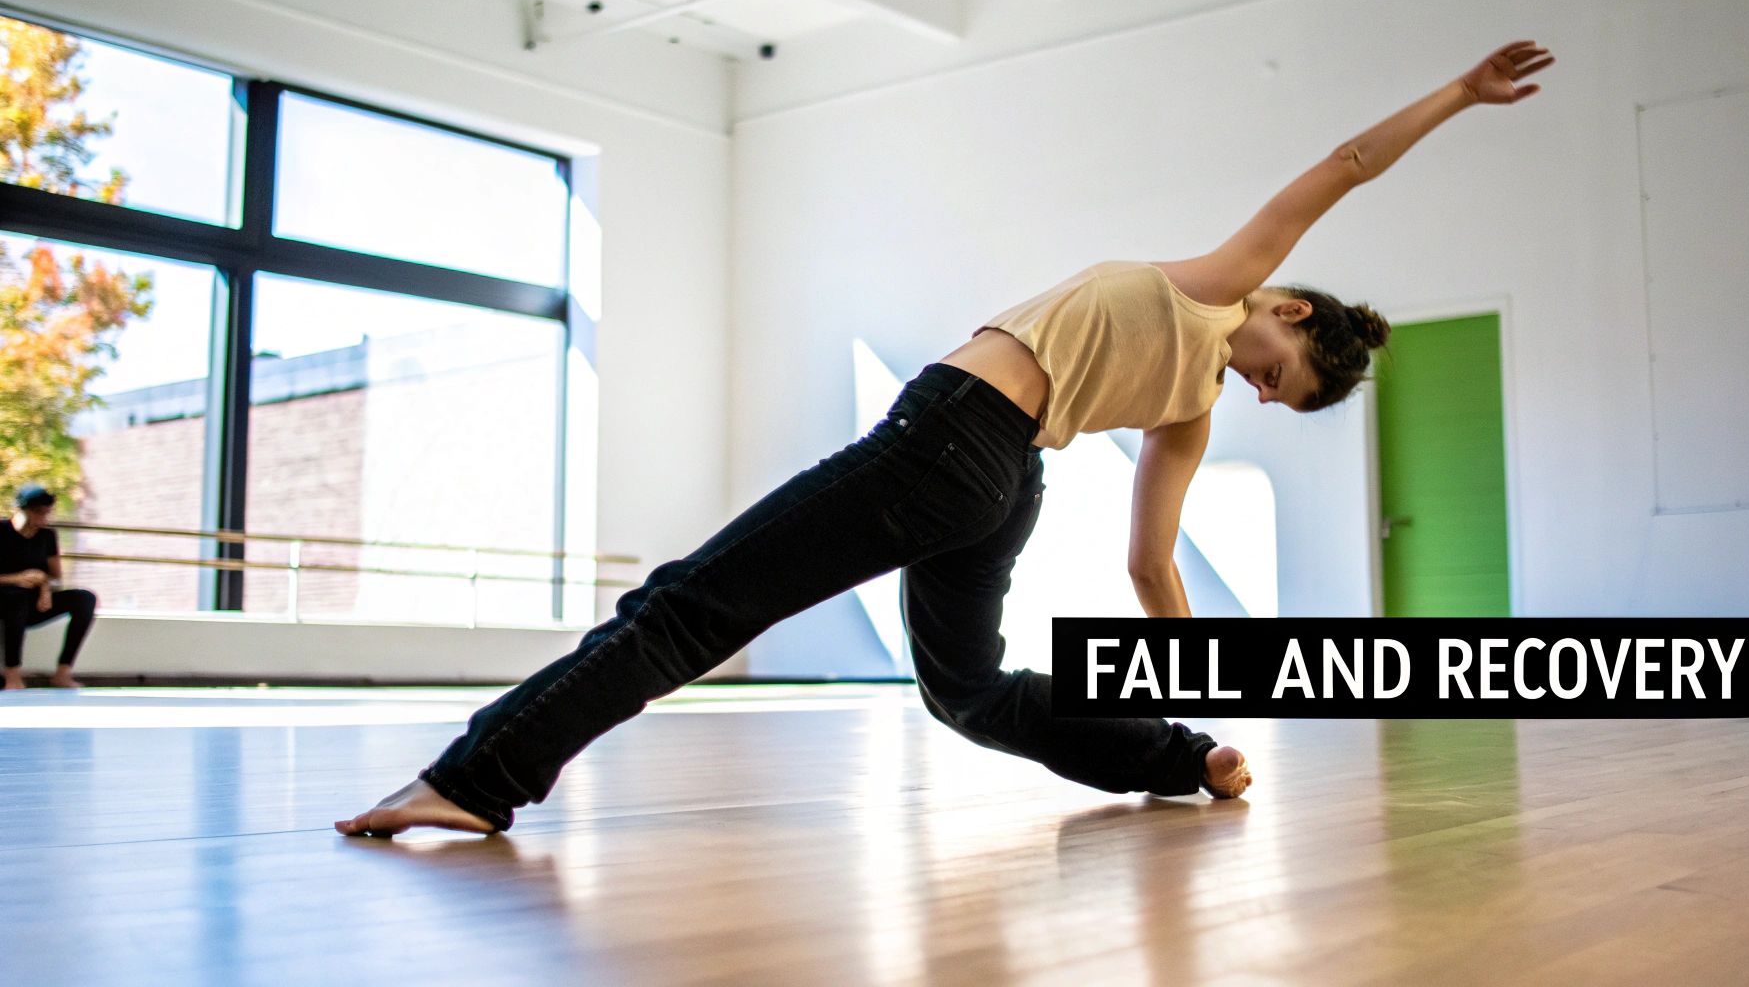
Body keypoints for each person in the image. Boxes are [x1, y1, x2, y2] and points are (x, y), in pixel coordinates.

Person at [338, 40, 1554, 836]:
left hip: (953, 445)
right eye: (1276, 375)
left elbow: (1152, 571)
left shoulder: (1189, 395)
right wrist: (1456, 93)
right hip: (994, 482)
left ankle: (474, 779)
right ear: (1286, 311)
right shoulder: (1226, 288)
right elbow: (1342, 169)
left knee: (685, 608)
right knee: (966, 693)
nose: (1254, 393)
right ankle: (1183, 764)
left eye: (1274, 403)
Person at [1, 485, 98, 690]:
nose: (43, 519)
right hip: (5, 603)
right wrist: (17, 578)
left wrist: (45, 588)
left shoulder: (47, 536)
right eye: (38, 513)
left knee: (85, 598)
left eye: (47, 513)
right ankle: (12, 675)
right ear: (21, 510)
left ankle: (63, 672)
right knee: (16, 597)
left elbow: (55, 577)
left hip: (35, 603)